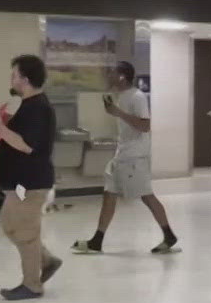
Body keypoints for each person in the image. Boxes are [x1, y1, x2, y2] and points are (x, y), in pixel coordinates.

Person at [75, 61, 178, 255]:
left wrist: (118, 113)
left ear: (122, 76)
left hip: (135, 157)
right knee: (109, 194)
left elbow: (145, 126)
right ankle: (97, 240)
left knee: (147, 196)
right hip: (122, 155)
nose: (109, 75)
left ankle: (169, 235)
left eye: (113, 72)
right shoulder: (121, 96)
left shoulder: (137, 97)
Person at [0, 55, 61, 300]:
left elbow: (27, 145)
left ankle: (32, 285)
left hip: (30, 182)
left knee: (25, 231)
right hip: (20, 182)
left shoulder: (37, 108)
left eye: (14, 75)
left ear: (25, 78)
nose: (11, 79)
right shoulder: (27, 106)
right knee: (12, 225)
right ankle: (47, 261)